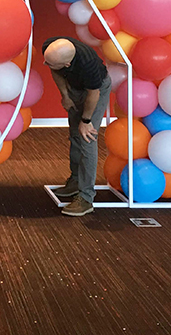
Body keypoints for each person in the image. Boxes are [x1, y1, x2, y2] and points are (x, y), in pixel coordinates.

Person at [43, 36, 111, 217]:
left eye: (50, 62)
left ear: (67, 64)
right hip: (74, 87)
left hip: (96, 91)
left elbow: (93, 94)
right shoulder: (51, 48)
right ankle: (75, 181)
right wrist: (65, 95)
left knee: (87, 138)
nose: (45, 63)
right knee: (74, 134)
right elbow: (53, 70)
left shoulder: (88, 65)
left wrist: (86, 121)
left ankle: (86, 197)